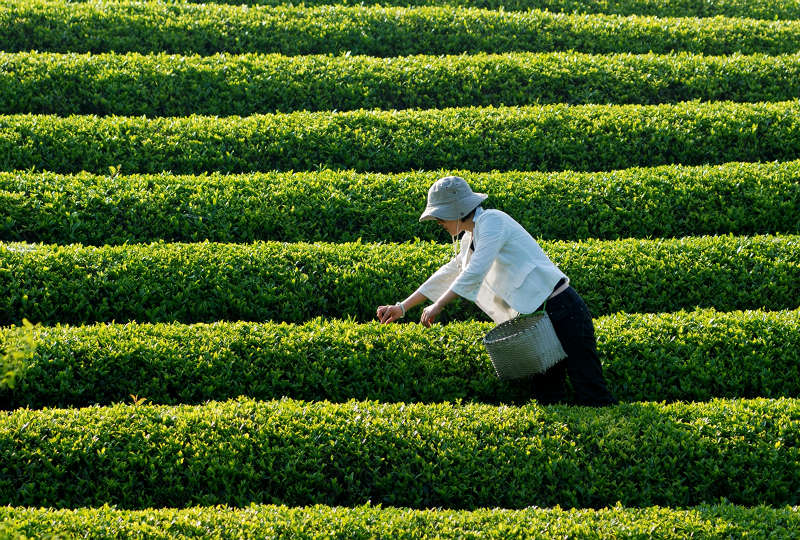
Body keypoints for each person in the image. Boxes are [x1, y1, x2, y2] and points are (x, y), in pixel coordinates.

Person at [376, 176, 617, 407]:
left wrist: (438, 305)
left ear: (457, 211)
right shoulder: (469, 237)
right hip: (539, 317)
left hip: (563, 310)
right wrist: (403, 307)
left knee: (590, 389)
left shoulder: (492, 222)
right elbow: (450, 272)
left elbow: (474, 271)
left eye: (441, 216)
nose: (439, 222)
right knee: (548, 395)